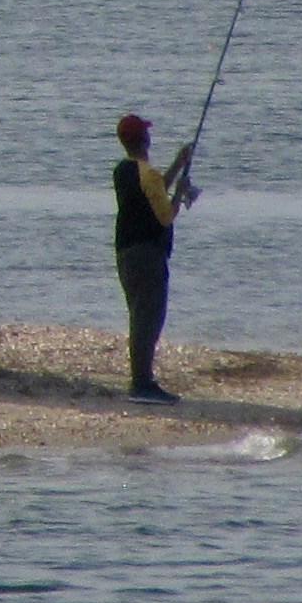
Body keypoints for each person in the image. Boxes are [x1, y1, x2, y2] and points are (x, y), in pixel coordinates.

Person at [113, 110, 200, 401]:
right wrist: (180, 193)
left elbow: (153, 190)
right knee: (149, 318)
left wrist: (178, 163)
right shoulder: (147, 174)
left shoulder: (123, 171)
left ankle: (141, 380)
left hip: (126, 253)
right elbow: (165, 215)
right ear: (145, 140)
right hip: (147, 255)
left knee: (139, 315)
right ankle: (141, 384)